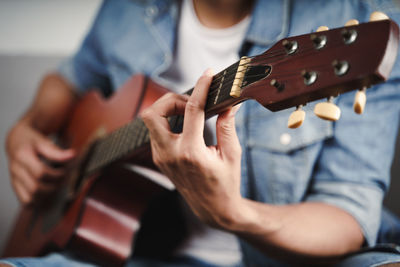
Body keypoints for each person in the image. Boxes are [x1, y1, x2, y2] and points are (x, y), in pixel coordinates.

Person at [2, 0, 400, 266]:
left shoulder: (360, 17)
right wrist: (26, 129)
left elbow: (349, 218)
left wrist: (234, 214)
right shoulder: (125, 10)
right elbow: (69, 80)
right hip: (135, 253)